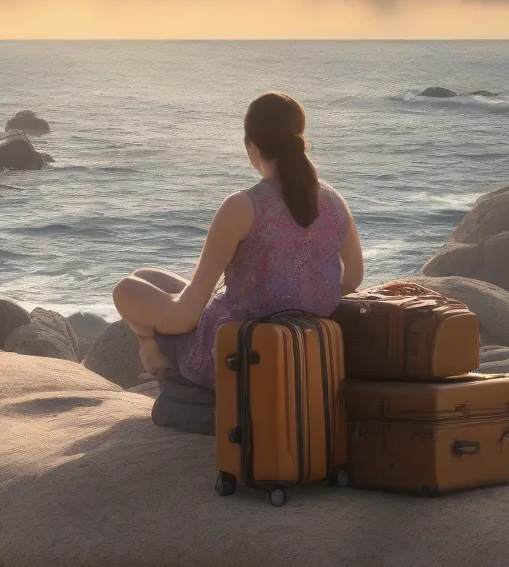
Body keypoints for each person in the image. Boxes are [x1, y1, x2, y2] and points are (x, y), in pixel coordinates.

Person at [113, 91, 364, 388]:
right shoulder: (334, 199)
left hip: (233, 350)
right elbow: (353, 278)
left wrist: (145, 331)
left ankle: (159, 358)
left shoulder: (243, 206)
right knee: (146, 276)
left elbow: (185, 314)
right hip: (296, 343)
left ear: (251, 147)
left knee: (126, 288)